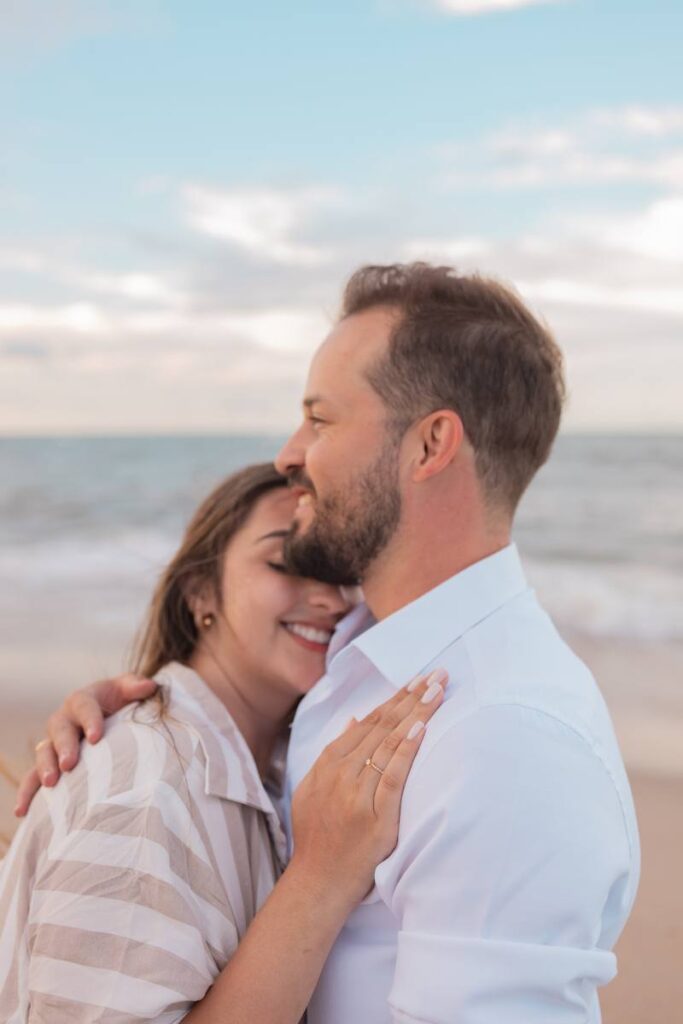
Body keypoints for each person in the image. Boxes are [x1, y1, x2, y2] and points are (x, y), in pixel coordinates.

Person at [20, 263, 640, 1023]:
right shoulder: (364, 659)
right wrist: (141, 718)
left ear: (429, 446)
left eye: (320, 419)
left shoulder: (504, 733)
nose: (290, 452)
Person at [0, 461, 447, 1023]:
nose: (332, 601)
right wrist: (321, 876)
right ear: (200, 591)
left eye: (344, 575)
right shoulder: (145, 796)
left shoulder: (275, 769)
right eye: (287, 562)